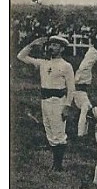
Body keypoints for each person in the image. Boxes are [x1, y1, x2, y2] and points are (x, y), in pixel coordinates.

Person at [17, 35, 75, 171]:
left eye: (55, 45)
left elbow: (71, 88)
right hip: (45, 101)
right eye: (51, 45)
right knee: (48, 130)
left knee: (58, 132)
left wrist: (67, 106)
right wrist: (32, 44)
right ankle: (55, 164)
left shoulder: (66, 66)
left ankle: (58, 165)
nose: (51, 47)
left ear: (61, 48)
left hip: (58, 102)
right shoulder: (43, 63)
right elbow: (21, 56)